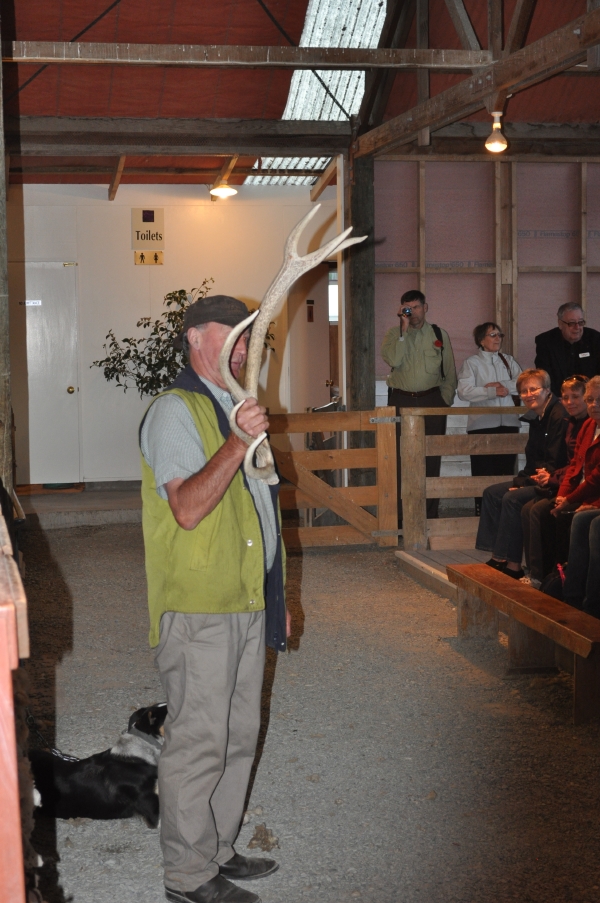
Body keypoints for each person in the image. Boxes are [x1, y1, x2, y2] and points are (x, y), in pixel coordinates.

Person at [139, 295, 288, 903]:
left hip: (246, 598)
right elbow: (187, 508)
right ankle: (187, 876)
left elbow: (259, 506)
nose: (245, 348)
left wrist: (275, 596)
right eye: (234, 335)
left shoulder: (232, 405)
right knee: (198, 741)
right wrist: (236, 441)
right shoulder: (174, 411)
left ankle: (217, 850)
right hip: (201, 605)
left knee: (238, 734)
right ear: (197, 337)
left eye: (249, 338)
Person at [475, 368, 568, 579]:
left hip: (554, 481)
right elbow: (532, 459)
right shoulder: (536, 416)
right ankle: (498, 556)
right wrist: (521, 480)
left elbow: (555, 462)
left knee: (512, 498)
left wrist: (524, 483)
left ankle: (512, 565)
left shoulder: (558, 415)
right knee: (491, 493)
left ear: (547, 390)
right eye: (524, 391)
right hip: (535, 476)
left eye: (534, 389)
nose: (528, 394)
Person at [381, 289, 457, 520]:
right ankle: (400, 518)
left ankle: (428, 517)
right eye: (407, 308)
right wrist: (403, 331)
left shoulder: (439, 334)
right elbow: (393, 359)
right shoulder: (393, 334)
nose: (412, 312)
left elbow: (449, 372)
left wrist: (444, 401)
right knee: (398, 459)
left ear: (425, 308)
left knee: (431, 459)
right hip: (401, 400)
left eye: (416, 307)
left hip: (432, 400)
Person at [520, 375, 589, 586]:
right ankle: (540, 573)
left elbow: (583, 470)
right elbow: (573, 465)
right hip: (566, 484)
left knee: (540, 510)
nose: (569, 402)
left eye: (576, 397)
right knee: (530, 508)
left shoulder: (583, 424)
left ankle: (552, 575)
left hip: (581, 489)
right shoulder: (572, 423)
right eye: (566, 397)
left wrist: (556, 484)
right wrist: (559, 488)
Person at [457, 322, 522, 515]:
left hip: (509, 423)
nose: (497, 338)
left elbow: (523, 383)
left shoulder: (508, 360)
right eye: (492, 335)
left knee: (506, 471)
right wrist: (491, 392)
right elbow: (464, 392)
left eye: (499, 335)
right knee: (482, 472)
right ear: (481, 340)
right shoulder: (472, 363)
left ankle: (506, 510)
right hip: (481, 425)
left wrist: (501, 385)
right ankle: (482, 511)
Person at [551, 375, 600, 614]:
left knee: (590, 523)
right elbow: (575, 465)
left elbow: (596, 477)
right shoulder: (589, 425)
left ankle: (592, 604)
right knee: (548, 511)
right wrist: (563, 497)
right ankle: (570, 595)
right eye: (590, 400)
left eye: (599, 400)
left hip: (593, 496)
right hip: (588, 495)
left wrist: (574, 500)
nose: (594, 405)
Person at [534, 302, 600, 395]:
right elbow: (544, 379)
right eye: (572, 323)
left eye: (580, 322)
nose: (577, 327)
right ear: (560, 324)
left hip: (589, 398)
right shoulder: (546, 342)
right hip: (559, 398)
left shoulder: (595, 339)